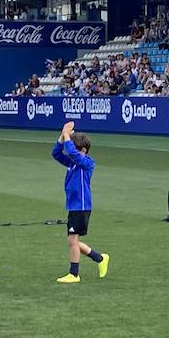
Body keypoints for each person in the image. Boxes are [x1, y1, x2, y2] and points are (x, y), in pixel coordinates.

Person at [52, 121, 108, 283]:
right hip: (74, 206)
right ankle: (100, 258)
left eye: (74, 150)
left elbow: (73, 153)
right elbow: (56, 154)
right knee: (73, 240)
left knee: (72, 241)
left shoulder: (86, 163)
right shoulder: (72, 163)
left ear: (83, 150)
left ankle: (74, 274)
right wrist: (62, 138)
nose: (70, 153)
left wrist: (67, 136)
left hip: (81, 206)